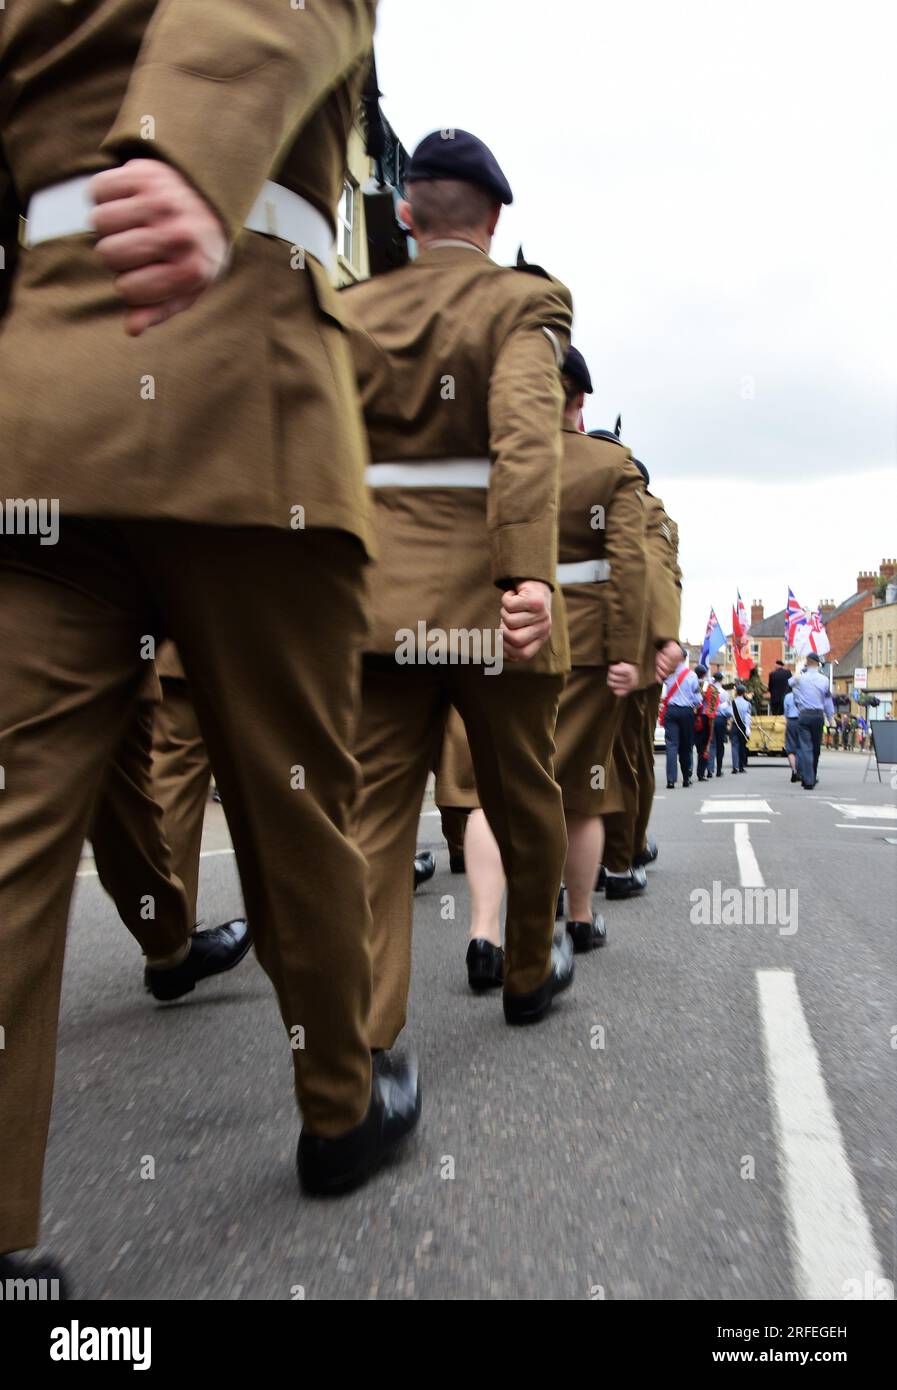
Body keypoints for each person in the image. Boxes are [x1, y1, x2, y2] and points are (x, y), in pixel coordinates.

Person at [0, 0, 423, 1293]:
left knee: (13, 821)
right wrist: (187, 147)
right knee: (299, 793)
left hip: (40, 396)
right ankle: (340, 1103)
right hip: (236, 352)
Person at [341, 128, 578, 1040]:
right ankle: (526, 968)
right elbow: (525, 434)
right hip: (492, 602)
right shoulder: (523, 302)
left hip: (375, 604)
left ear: (404, 212)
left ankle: (359, 1051)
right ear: (494, 218)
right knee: (523, 798)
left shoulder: (352, 305)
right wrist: (526, 573)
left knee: (369, 827)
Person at [602, 459, 683, 895]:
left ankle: (582, 863)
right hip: (634, 648)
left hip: (575, 638)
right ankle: (622, 853)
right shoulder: (654, 513)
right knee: (628, 758)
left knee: (582, 758)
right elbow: (659, 574)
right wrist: (663, 639)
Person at [790, 653, 834, 789]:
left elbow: (790, 683)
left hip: (804, 715)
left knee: (805, 748)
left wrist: (797, 673)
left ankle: (807, 778)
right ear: (818, 664)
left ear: (807, 663)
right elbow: (827, 700)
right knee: (815, 749)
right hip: (818, 716)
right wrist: (831, 717)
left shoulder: (801, 679)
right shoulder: (824, 680)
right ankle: (811, 776)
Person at [661, 649, 702, 788]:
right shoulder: (692, 676)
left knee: (671, 745)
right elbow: (697, 699)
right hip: (686, 712)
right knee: (686, 746)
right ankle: (686, 778)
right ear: (685, 659)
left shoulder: (668, 674)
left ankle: (671, 780)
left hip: (671, 711)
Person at [693, 664, 719, 781]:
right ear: (704, 674)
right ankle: (701, 773)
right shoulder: (709, 687)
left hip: (691, 716)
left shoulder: (690, 683)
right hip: (704, 718)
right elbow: (713, 706)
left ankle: (687, 772)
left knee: (688, 746)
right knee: (703, 747)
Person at [709, 672, 732, 777]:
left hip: (710, 718)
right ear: (721, 680)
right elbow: (728, 711)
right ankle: (718, 769)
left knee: (711, 745)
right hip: (721, 719)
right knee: (720, 745)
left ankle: (709, 770)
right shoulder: (724, 693)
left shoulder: (709, 689)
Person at [731, 683, 753, 772]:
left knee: (734, 746)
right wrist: (748, 728)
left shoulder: (732, 702)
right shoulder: (747, 704)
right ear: (744, 693)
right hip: (743, 726)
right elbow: (747, 717)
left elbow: (729, 714)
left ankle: (735, 766)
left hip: (734, 725)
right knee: (742, 746)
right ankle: (741, 766)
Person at [784, 687, 801, 781]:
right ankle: (800, 770)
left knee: (790, 748)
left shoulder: (788, 696)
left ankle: (794, 770)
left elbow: (785, 712)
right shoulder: (803, 695)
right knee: (801, 746)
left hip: (791, 720)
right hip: (801, 720)